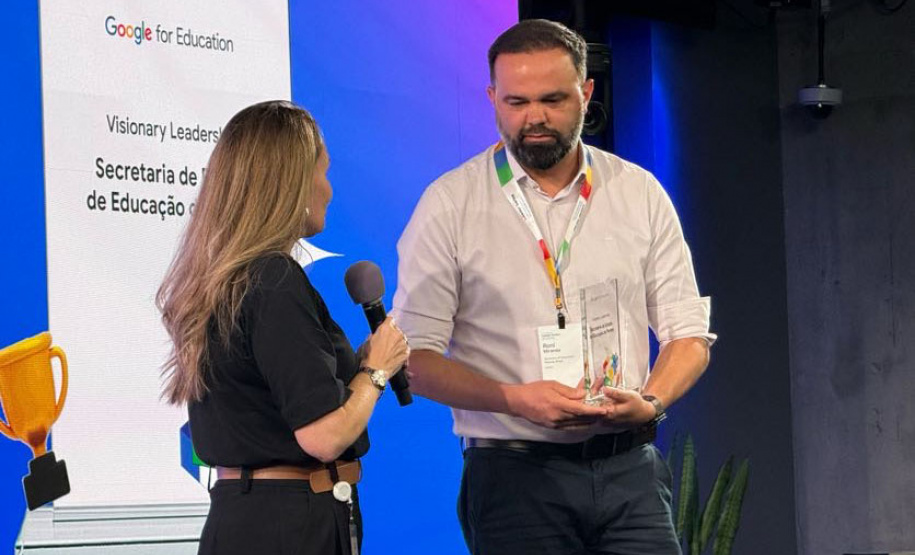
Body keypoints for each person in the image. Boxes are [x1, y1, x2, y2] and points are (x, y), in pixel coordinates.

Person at [393, 19, 716, 555]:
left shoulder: (638, 192)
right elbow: (414, 360)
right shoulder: (450, 204)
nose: (534, 118)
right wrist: (516, 400)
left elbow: (689, 334)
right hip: (513, 475)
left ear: (586, 94)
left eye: (552, 99)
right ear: (492, 97)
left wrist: (652, 401)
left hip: (629, 470)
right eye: (516, 102)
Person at [157, 100, 409, 555]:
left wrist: (363, 365)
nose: (329, 191)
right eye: (322, 172)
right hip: (288, 527)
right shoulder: (273, 278)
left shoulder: (226, 280)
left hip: (248, 519)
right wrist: (377, 372)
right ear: (291, 180)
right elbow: (323, 436)